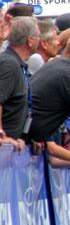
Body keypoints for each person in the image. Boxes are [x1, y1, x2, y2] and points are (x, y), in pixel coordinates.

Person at [0, 17, 39, 148]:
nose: (41, 40)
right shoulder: (9, 64)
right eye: (38, 36)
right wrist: (1, 137)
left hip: (14, 147)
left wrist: (24, 137)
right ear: (30, 40)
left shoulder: (20, 65)